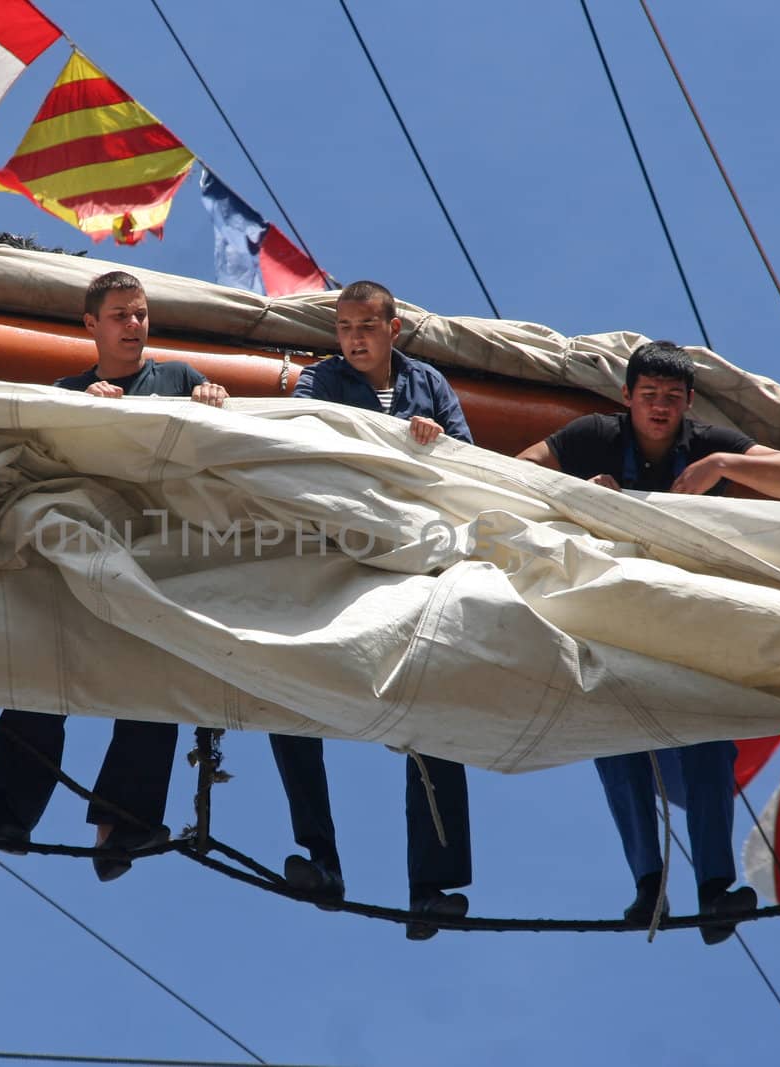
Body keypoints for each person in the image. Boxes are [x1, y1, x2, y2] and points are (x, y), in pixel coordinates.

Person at [517, 339, 780, 942]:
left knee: (708, 744)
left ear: (688, 403)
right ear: (627, 397)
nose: (659, 407)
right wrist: (582, 493)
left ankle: (713, 892)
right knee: (614, 737)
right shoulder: (593, 436)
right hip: (607, 610)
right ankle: (648, 886)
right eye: (648, 396)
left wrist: (723, 466)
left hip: (681, 613)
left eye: (671, 399)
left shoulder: (705, 443)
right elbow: (518, 473)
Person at [0, 270, 228, 881]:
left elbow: (216, 441)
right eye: (120, 316)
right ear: (91, 325)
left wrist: (213, 400)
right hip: (85, 547)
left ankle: (123, 826)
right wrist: (80, 412)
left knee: (153, 677)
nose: (134, 325)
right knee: (42, 674)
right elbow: (42, 462)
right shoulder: (68, 388)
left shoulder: (180, 378)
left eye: (140, 314)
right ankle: (11, 817)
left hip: (162, 547)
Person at [274, 279, 473, 940]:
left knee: (434, 704)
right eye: (344, 327)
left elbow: (468, 466)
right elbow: (305, 433)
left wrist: (434, 442)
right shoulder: (318, 380)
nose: (354, 339)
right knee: (289, 694)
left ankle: (433, 886)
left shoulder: (430, 385)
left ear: (394, 327)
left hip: (414, 556)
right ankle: (322, 860)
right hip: (335, 551)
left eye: (365, 326)